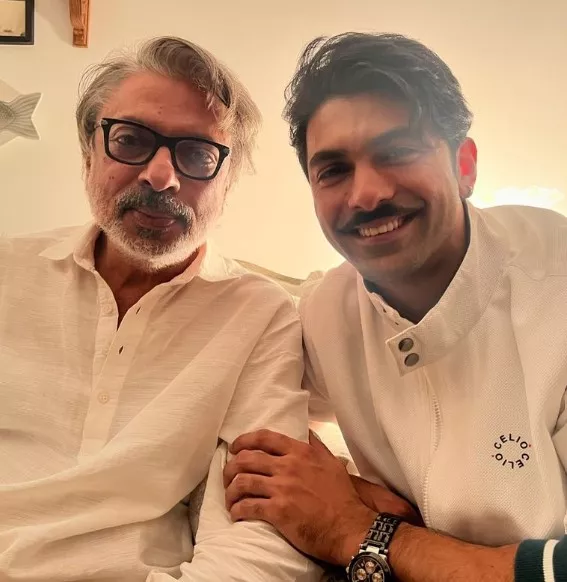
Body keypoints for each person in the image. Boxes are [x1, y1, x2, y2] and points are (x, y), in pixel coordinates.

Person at [224, 32, 567, 581]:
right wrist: (349, 486)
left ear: (465, 166)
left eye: (397, 152)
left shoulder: (556, 284)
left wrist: (359, 529)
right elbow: (246, 410)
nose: (366, 194)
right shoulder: (324, 313)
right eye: (333, 170)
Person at [0, 36, 321, 582]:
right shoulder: (9, 271)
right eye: (130, 140)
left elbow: (262, 529)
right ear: (88, 152)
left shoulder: (257, 314)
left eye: (197, 154)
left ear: (228, 182)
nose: (160, 176)